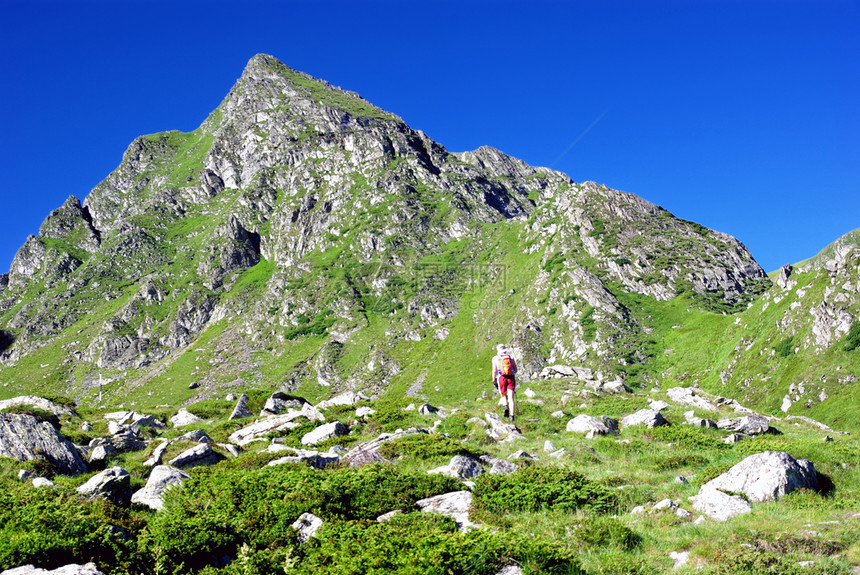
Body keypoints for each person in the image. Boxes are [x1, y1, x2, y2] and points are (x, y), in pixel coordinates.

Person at [492, 343, 517, 423]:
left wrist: (494, 380)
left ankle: (505, 406)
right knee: (511, 398)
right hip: (511, 378)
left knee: (503, 394)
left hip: (501, 377)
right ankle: (512, 417)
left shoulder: (495, 358)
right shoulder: (510, 357)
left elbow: (494, 370)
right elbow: (515, 369)